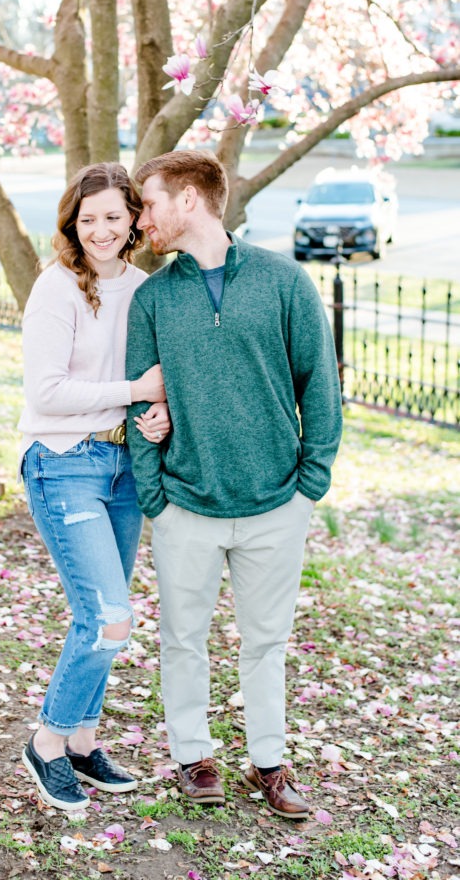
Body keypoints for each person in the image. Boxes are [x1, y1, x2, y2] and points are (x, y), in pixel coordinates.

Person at [126, 150, 343, 819]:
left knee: (267, 642)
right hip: (185, 504)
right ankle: (193, 756)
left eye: (151, 202)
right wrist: (155, 497)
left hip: (277, 501)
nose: (142, 218)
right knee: (182, 638)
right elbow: (139, 405)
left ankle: (270, 764)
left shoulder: (283, 282)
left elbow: (322, 386)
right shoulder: (152, 297)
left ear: (189, 200)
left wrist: (310, 483)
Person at [18, 162, 170, 812]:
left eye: (113, 216)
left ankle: (83, 740)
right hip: (63, 462)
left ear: (134, 217)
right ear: (71, 225)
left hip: (125, 468)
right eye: (88, 219)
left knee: (109, 618)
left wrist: (156, 414)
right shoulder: (57, 289)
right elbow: (46, 393)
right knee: (108, 618)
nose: (101, 230)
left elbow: (156, 382)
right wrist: (135, 393)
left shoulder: (146, 289)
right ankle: (47, 742)